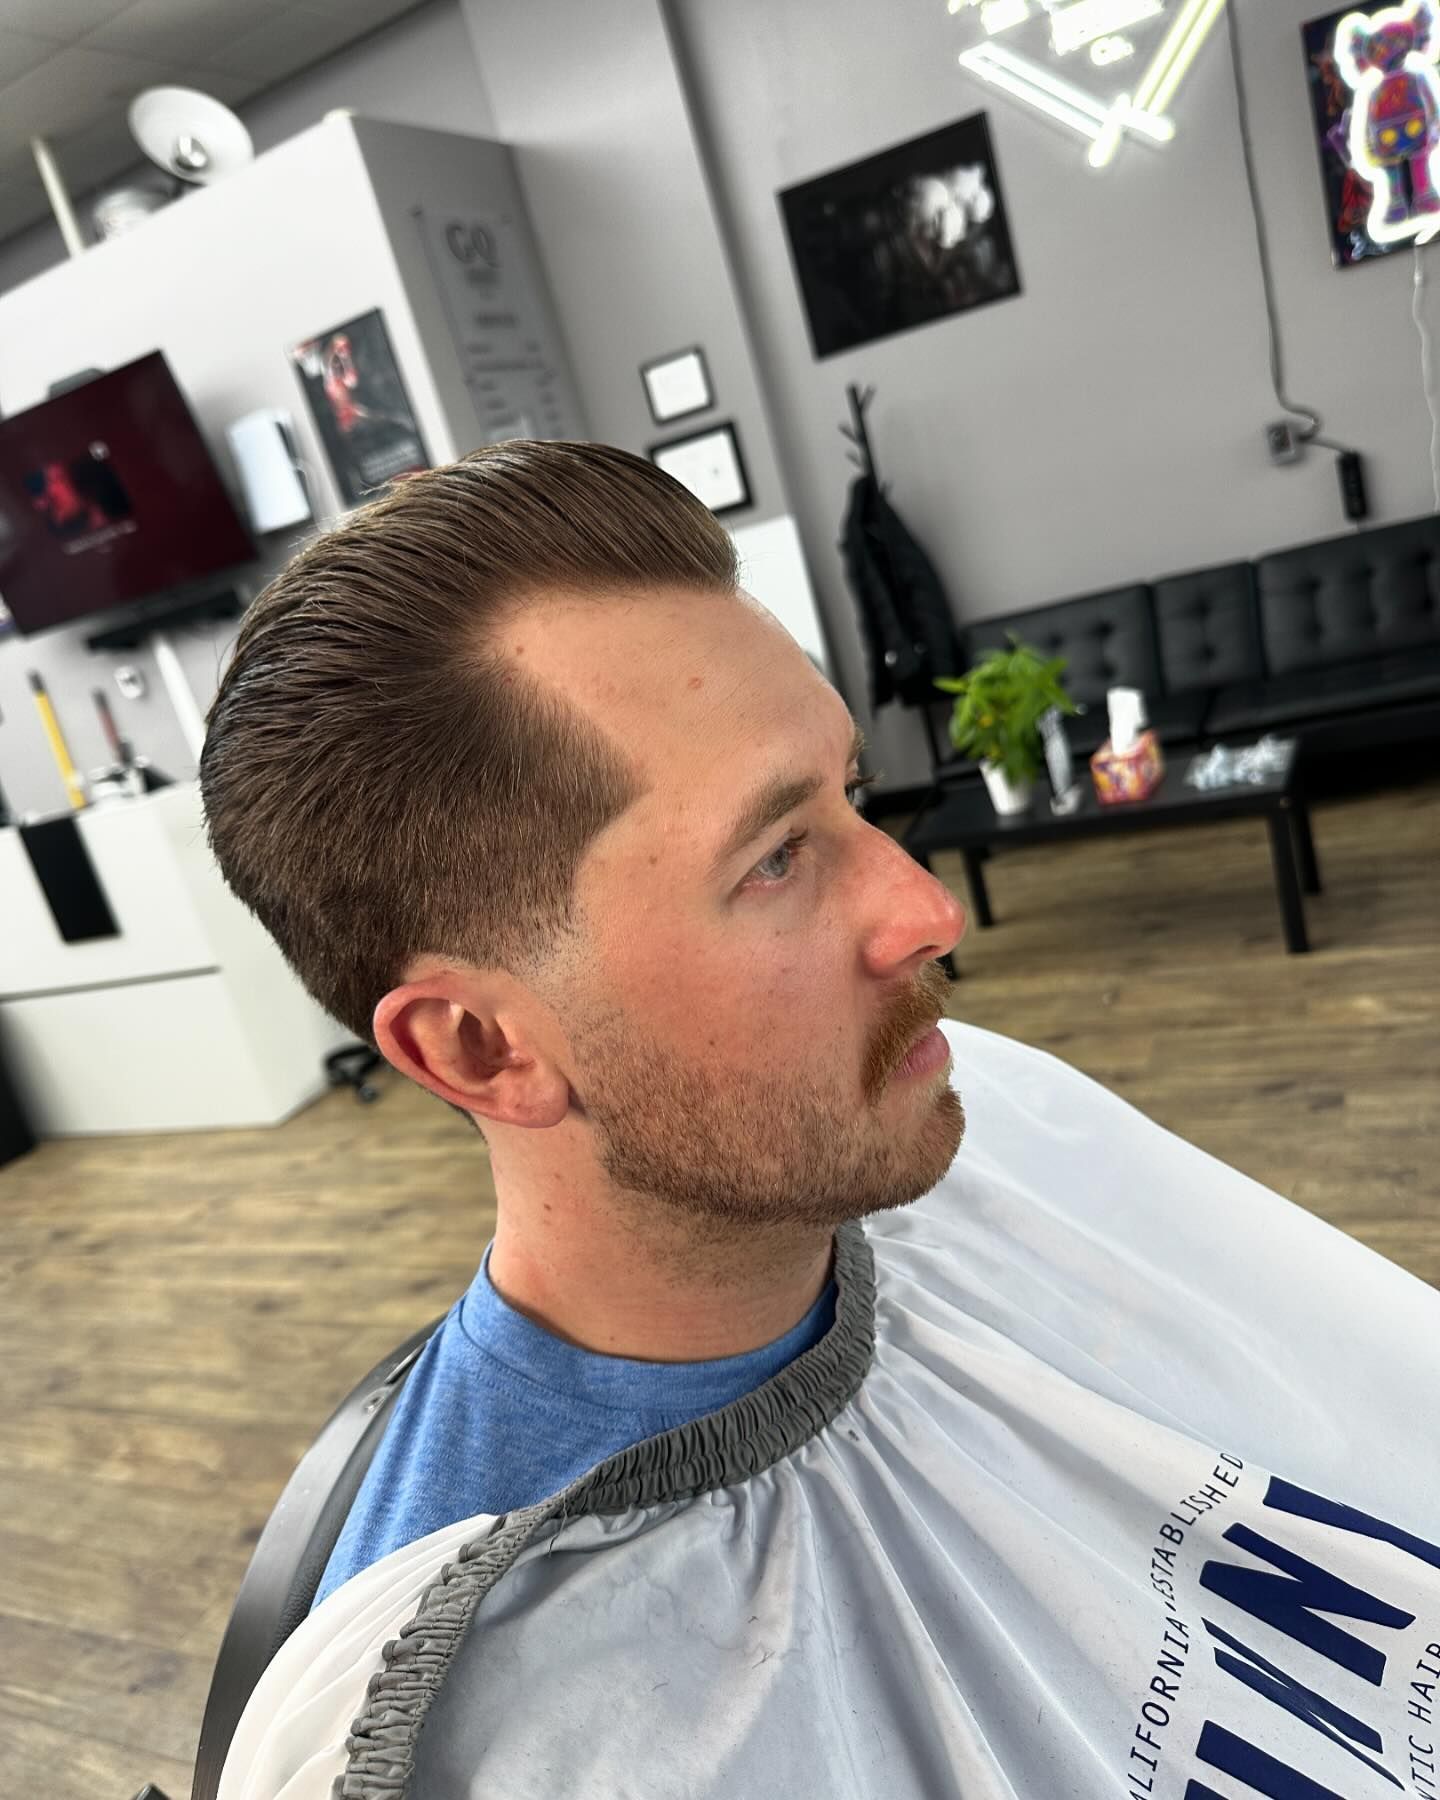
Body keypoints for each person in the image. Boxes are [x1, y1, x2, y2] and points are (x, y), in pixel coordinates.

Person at [200, 442, 1440, 1800]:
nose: (927, 911)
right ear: (481, 1047)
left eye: (851, 796)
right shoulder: (506, 1740)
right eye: (777, 856)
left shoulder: (990, 1115)